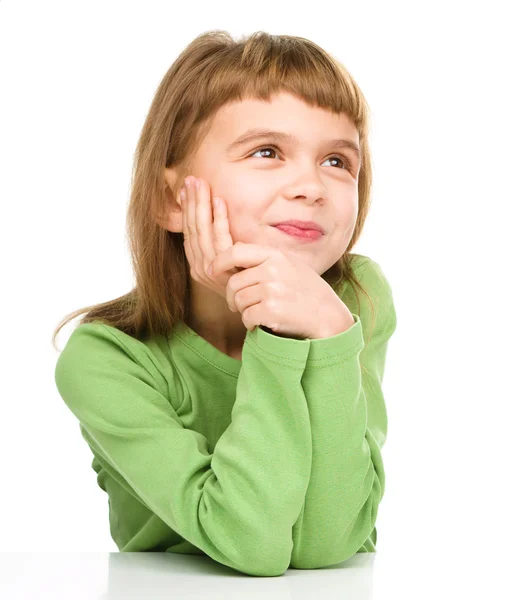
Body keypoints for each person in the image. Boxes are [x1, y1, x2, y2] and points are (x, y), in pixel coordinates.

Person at [52, 30, 397, 577]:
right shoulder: (106, 360)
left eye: (336, 161)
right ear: (171, 199)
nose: (311, 186)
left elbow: (330, 544)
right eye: (267, 152)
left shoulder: (355, 300)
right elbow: (248, 542)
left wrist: (330, 335)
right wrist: (280, 336)